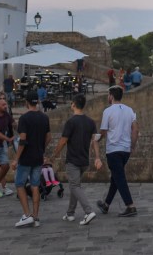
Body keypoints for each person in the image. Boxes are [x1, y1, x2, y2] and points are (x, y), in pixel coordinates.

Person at [53, 93, 102, 225]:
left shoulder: (71, 122)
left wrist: (53, 156)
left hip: (73, 161)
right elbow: (95, 141)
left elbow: (63, 141)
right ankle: (70, 213)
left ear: (73, 104)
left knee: (75, 186)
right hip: (84, 161)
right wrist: (97, 157)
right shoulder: (90, 122)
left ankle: (88, 211)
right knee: (74, 186)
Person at [96, 85, 139, 217]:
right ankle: (106, 204)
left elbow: (103, 131)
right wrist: (132, 145)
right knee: (116, 177)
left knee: (119, 177)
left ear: (111, 96)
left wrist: (97, 139)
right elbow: (135, 129)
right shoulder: (129, 110)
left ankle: (130, 206)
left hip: (113, 150)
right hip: (125, 150)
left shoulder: (108, 111)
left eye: (108, 95)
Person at [10, 90, 49, 228]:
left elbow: (23, 140)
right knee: (35, 186)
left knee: (19, 184)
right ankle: (36, 217)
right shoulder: (44, 118)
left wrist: (16, 159)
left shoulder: (24, 118)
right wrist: (42, 149)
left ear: (26, 103)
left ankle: (27, 215)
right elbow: (49, 137)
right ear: (37, 101)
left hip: (26, 157)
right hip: (38, 156)